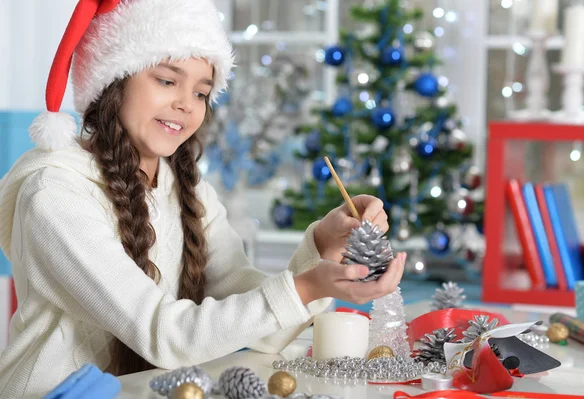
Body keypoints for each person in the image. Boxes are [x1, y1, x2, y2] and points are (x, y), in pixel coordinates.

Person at [0, 0, 406, 396]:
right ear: (114, 79)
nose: (185, 104)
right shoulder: (55, 195)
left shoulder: (188, 191)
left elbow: (260, 325)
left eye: (201, 92)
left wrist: (323, 248)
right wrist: (303, 289)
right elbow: (164, 332)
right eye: (166, 80)